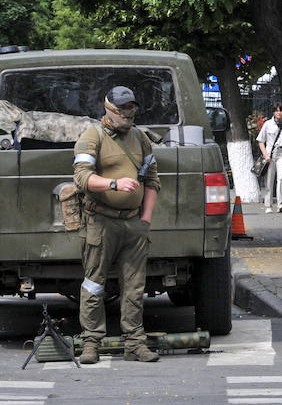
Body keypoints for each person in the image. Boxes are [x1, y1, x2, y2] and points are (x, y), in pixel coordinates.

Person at [72, 86, 162, 364]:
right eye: (122, 108)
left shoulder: (140, 138)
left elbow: (152, 179)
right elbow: (81, 177)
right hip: (101, 221)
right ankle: (91, 343)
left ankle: (135, 344)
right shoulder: (92, 136)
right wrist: (113, 183)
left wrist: (145, 218)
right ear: (108, 109)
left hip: (133, 225)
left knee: (135, 286)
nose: (127, 113)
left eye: (131, 107)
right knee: (94, 283)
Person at [257, 104, 282, 212]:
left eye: (281, 110)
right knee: (269, 179)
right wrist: (265, 155)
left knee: (281, 177)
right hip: (270, 154)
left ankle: (280, 203)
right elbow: (261, 141)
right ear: (273, 112)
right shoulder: (268, 124)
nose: (279, 113)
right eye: (276, 111)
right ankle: (268, 205)